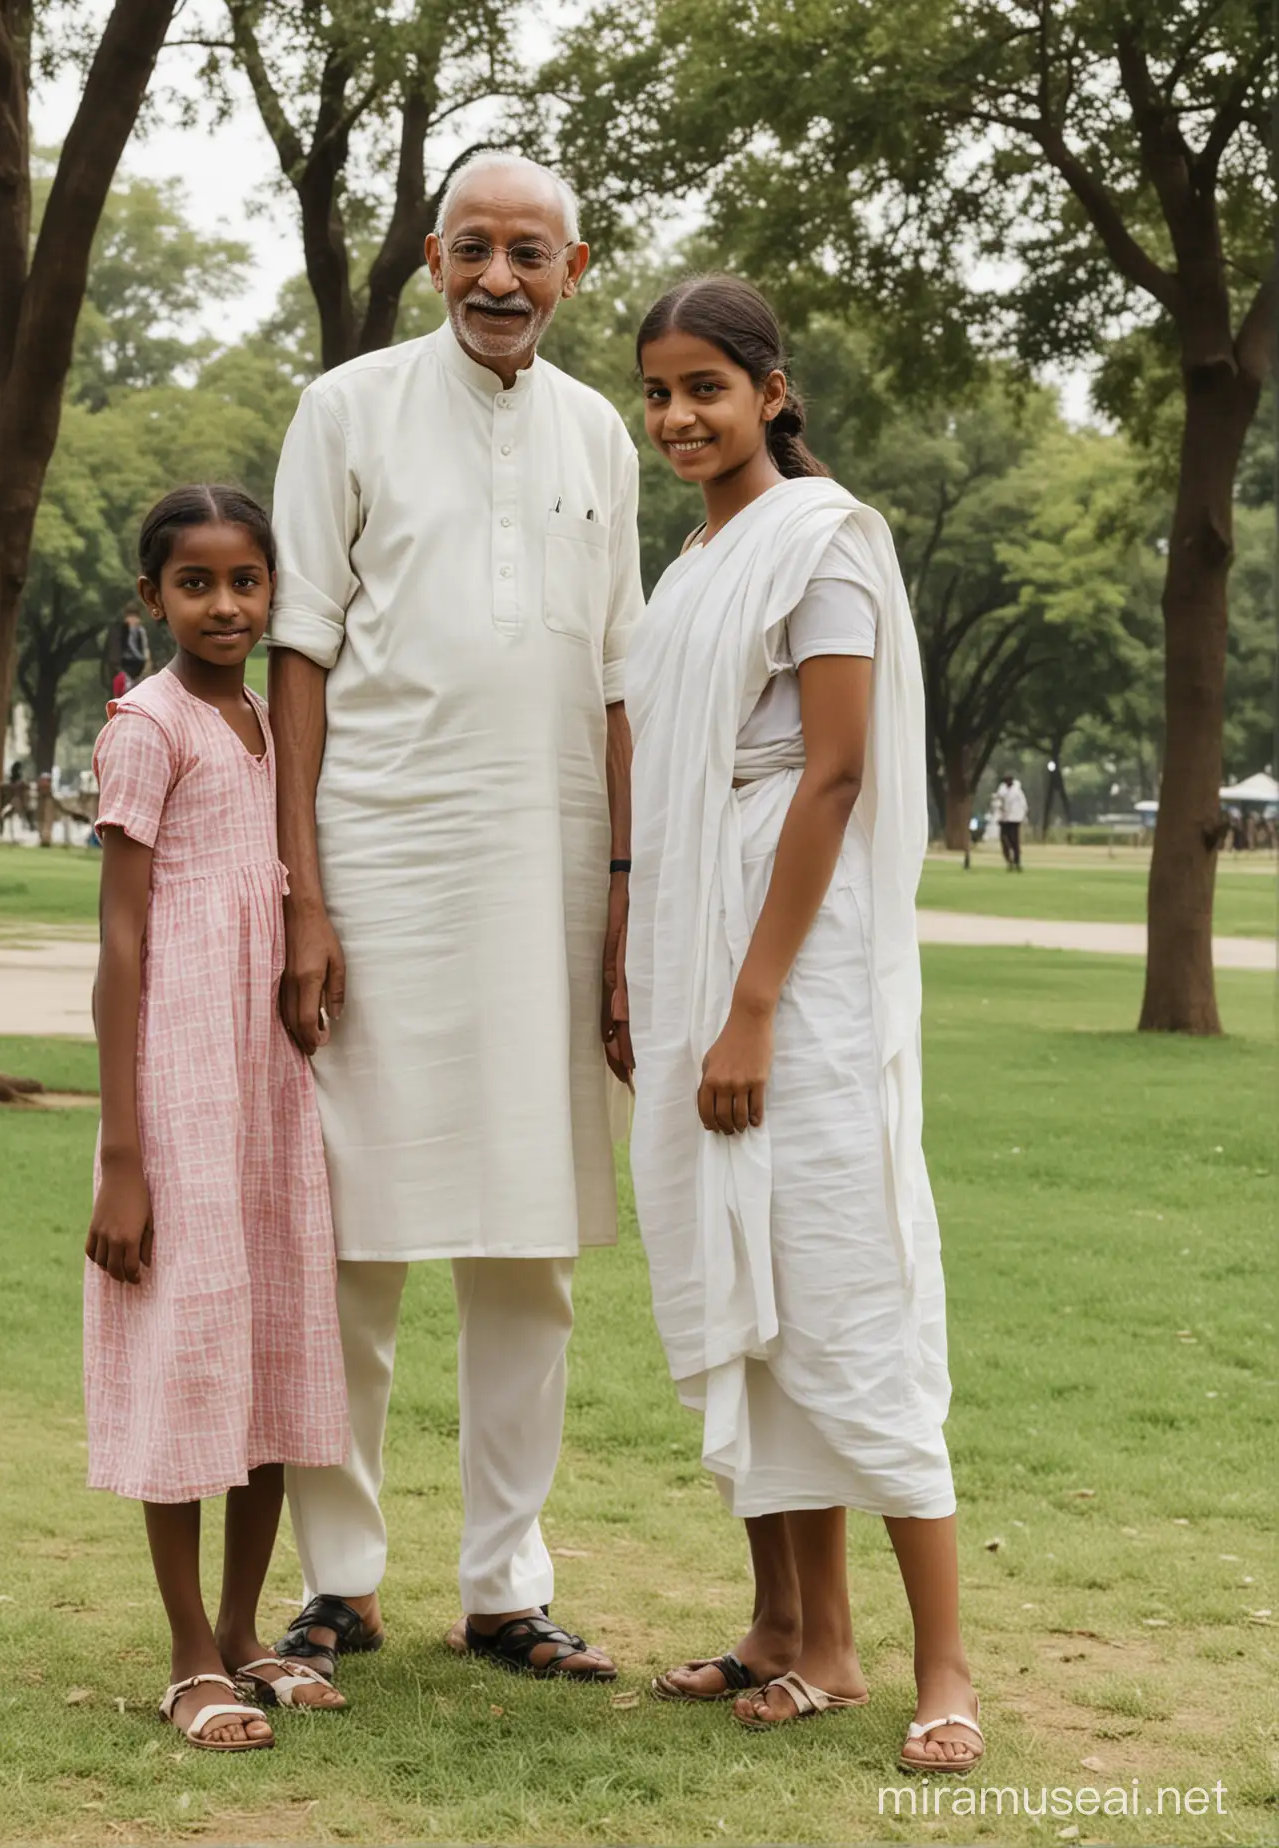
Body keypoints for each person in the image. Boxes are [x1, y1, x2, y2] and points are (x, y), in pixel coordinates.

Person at [265, 153, 642, 1685]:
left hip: (552, 871)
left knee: (531, 1250)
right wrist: (304, 895)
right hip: (378, 864)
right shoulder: (344, 408)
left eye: (530, 254)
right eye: (475, 249)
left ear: (576, 267)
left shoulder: (605, 431)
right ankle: (340, 1579)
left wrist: (622, 902)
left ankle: (505, 1585)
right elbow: (299, 649)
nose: (501, 278)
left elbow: (619, 672)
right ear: (433, 258)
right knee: (351, 1237)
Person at [626, 277, 981, 1773]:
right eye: (656, 393)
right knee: (740, 1286)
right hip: (695, 951)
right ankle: (794, 1633)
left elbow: (831, 777)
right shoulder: (690, 562)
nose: (678, 417)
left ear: (774, 390)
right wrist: (657, 984)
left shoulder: (821, 545)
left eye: (706, 386)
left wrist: (754, 1003)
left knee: (846, 1281)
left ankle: (945, 1667)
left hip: (796, 971)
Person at [86, 485, 350, 1751]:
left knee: (272, 1342)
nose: (227, 605)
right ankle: (191, 1651)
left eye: (247, 582)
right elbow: (122, 941)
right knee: (187, 1352)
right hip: (180, 1082)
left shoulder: (265, 719)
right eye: (197, 584)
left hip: (268, 1082)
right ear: (153, 600)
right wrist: (122, 1155)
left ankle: (251, 1626)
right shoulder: (148, 727)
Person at [995, 773, 1027, 869]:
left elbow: (1023, 805)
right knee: (1004, 840)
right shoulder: (1001, 790)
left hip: (1014, 819)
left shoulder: (1017, 791)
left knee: (1014, 841)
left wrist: (1022, 816)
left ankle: (1017, 862)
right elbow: (998, 803)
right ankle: (1009, 860)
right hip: (1004, 819)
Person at [119, 605, 152, 691]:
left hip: (139, 667)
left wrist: (146, 660)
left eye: (134, 617)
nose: (132, 620)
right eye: (130, 617)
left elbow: (145, 647)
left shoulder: (141, 631)